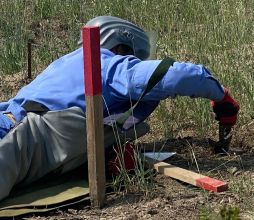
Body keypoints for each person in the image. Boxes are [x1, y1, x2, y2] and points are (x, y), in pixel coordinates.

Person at [0, 16, 239, 201]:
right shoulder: (106, 63)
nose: (133, 62)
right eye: (133, 57)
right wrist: (221, 96)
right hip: (17, 135)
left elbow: (79, 116)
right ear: (121, 46)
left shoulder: (62, 64)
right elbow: (175, 77)